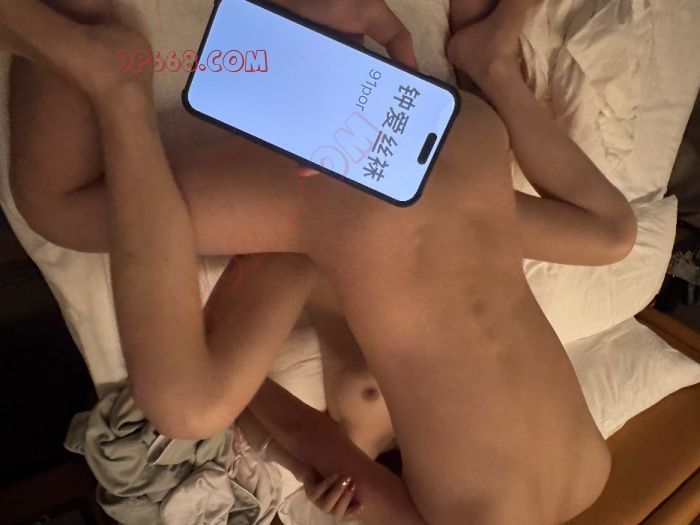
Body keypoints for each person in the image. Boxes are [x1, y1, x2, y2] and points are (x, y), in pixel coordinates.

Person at [2, 0, 637, 522]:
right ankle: (113, 84)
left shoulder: (594, 476)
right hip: (362, 206)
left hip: (462, 140)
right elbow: (312, 440)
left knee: (612, 237)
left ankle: (489, 61)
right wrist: (295, 452)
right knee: (67, 216)